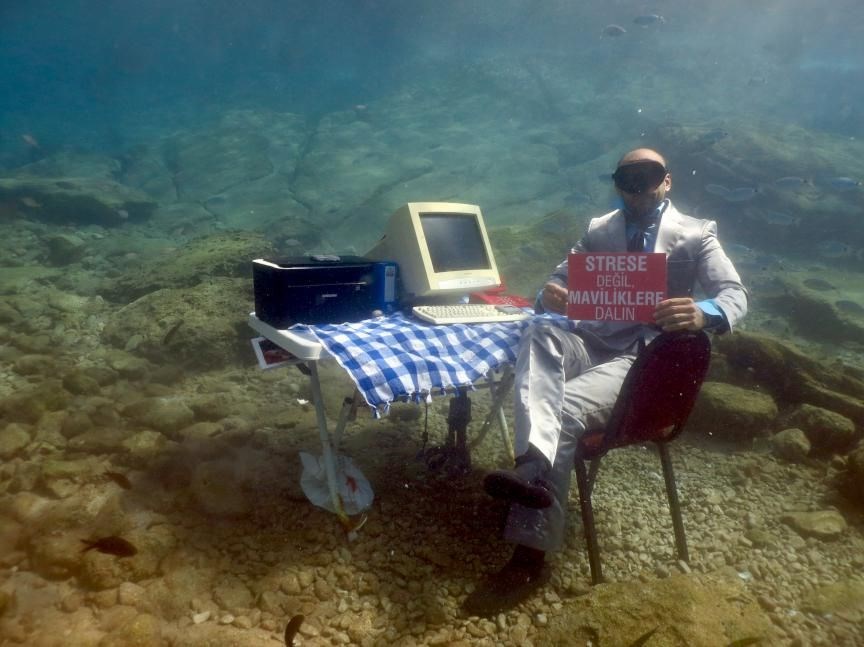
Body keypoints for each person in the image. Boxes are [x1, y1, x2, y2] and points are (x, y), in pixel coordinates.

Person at [464, 148, 748, 615]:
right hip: (592, 342)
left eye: (648, 175)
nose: (636, 184)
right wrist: (548, 295)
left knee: (565, 409)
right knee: (538, 330)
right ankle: (534, 468)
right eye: (626, 176)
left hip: (645, 359)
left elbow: (734, 294)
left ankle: (529, 553)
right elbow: (552, 287)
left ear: (667, 181)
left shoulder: (697, 234)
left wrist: (704, 312)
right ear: (617, 183)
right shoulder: (599, 229)